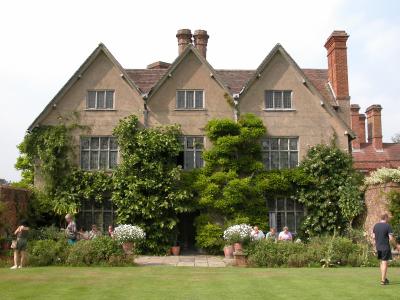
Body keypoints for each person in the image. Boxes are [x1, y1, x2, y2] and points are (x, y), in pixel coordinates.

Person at [372, 213, 395, 285]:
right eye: (388, 218)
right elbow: (391, 239)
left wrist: (374, 246)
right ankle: (383, 280)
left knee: (381, 262)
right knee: (384, 262)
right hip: (385, 247)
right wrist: (396, 245)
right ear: (386, 218)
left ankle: (384, 278)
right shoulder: (388, 226)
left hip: (378, 247)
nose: (388, 219)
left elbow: (373, 237)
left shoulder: (376, 226)